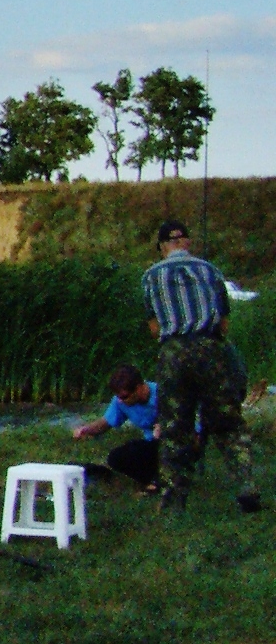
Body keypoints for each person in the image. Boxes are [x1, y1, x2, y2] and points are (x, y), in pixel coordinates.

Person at [140, 219, 260, 514]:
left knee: (174, 428)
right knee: (229, 423)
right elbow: (224, 323)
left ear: (161, 247)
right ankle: (246, 485)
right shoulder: (210, 271)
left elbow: (154, 328)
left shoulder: (150, 276)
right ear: (188, 242)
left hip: (172, 354)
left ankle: (173, 500)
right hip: (210, 348)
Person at [73, 364, 159, 490]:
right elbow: (105, 423)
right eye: (118, 397)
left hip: (174, 441)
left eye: (124, 396)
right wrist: (86, 430)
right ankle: (151, 480)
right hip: (150, 443)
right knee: (117, 457)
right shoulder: (121, 402)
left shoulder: (163, 394)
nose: (120, 400)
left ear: (139, 388)